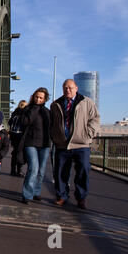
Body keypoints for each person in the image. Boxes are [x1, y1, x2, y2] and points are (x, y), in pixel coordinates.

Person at [50, 79, 100, 209]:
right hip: (62, 144)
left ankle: (81, 198)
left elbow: (95, 119)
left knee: (83, 170)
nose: (68, 90)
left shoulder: (86, 102)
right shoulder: (56, 104)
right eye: (65, 88)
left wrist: (88, 134)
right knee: (60, 172)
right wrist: (55, 137)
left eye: (70, 88)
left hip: (81, 144)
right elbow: (52, 123)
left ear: (76, 88)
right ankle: (61, 196)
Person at [19, 88, 51, 204]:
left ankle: (36, 192)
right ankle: (27, 195)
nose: (38, 99)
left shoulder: (47, 112)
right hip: (31, 143)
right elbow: (25, 122)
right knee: (33, 168)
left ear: (45, 99)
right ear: (33, 96)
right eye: (36, 97)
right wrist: (35, 108)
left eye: (41, 98)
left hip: (45, 144)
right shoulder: (28, 109)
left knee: (41, 171)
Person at [8, 100, 28, 176]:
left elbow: (9, 122)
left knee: (15, 152)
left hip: (14, 135)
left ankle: (13, 170)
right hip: (20, 136)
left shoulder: (15, 113)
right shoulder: (24, 114)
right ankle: (19, 170)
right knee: (20, 153)